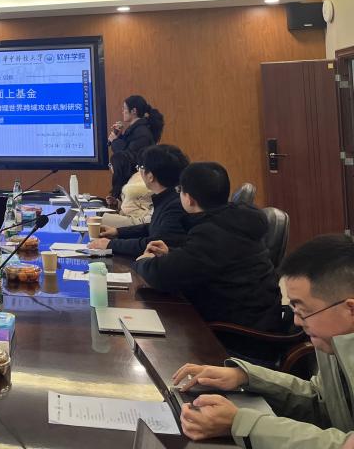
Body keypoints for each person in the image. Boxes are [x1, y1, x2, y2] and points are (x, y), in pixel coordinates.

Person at [172, 234, 354, 447]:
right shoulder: (334, 339)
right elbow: (321, 401)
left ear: (350, 309)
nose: (297, 321)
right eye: (294, 309)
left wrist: (242, 423)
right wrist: (246, 377)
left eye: (303, 311)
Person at [134, 162, 282, 331]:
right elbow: (207, 260)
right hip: (257, 320)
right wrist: (172, 253)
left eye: (179, 190)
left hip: (238, 334)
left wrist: (144, 261)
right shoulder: (233, 220)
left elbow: (161, 275)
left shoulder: (212, 232)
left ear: (189, 199)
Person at [89, 144, 189, 258]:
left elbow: (154, 245)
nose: (139, 171)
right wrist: (117, 232)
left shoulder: (175, 205)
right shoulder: (168, 198)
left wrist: (111, 244)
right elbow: (152, 227)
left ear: (150, 176)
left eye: (141, 167)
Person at [107, 94, 165, 203]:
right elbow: (128, 148)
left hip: (135, 187)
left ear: (133, 111)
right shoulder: (136, 129)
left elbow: (130, 157)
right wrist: (119, 136)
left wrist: (115, 141)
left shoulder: (142, 132)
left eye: (124, 108)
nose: (122, 112)